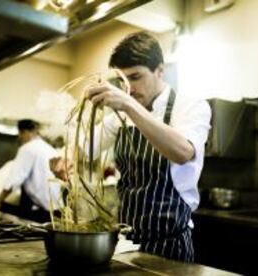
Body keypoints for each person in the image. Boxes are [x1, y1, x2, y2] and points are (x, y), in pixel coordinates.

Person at [58, 32, 211, 262]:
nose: (129, 88)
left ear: (160, 70)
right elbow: (85, 147)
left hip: (171, 245)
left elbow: (183, 152)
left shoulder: (191, 106)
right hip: (127, 242)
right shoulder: (122, 115)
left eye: (136, 77)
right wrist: (67, 154)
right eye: (123, 81)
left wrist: (128, 105)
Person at [0, 119, 63, 222]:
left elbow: (13, 180)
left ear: (25, 132)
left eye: (20, 134)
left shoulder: (27, 148)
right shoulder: (49, 149)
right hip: (57, 210)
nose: (19, 138)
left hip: (43, 213)